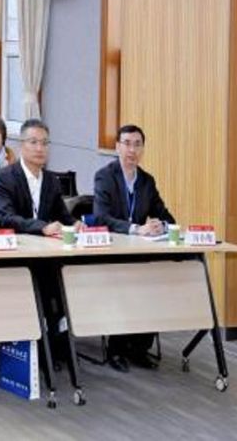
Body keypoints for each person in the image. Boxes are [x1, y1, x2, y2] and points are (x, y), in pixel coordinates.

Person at [92, 124, 173, 370]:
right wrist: (136, 229)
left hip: (140, 255)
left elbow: (167, 217)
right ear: (117, 147)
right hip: (112, 254)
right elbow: (101, 217)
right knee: (124, 284)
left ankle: (139, 349)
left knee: (152, 284)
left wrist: (161, 225)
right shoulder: (105, 176)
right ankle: (116, 349)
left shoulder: (147, 181)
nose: (132, 150)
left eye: (137, 145)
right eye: (127, 143)